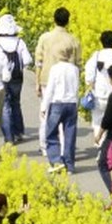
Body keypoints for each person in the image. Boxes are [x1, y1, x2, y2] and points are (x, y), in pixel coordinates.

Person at [38, 39, 80, 174]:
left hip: (57, 103)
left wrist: (44, 106)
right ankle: (70, 166)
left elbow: (50, 89)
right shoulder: (75, 69)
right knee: (70, 136)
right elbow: (77, 88)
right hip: (72, 104)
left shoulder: (55, 69)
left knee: (51, 134)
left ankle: (56, 161)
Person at [0, 14, 33, 145]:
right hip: (17, 77)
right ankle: (19, 132)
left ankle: (9, 137)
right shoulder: (19, 42)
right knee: (16, 103)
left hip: (2, 78)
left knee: (5, 105)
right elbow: (28, 60)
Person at [33, 6, 80, 93]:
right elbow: (78, 65)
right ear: (67, 21)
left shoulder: (44, 38)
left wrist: (37, 82)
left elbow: (39, 62)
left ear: (54, 20)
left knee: (46, 106)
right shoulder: (74, 40)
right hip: (66, 83)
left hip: (47, 80)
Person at [83, 31, 112, 126]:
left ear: (101, 41)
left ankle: (98, 140)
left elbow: (89, 76)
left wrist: (90, 85)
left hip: (98, 96)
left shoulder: (96, 56)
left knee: (97, 123)